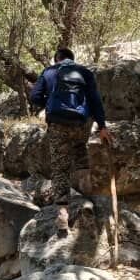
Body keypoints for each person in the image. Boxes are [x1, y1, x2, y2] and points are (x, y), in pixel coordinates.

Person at [30, 48, 113, 230]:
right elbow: (95, 101)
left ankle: (62, 213)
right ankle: (88, 194)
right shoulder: (84, 72)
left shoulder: (49, 72)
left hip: (58, 124)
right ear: (72, 59)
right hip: (80, 124)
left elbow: (34, 96)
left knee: (60, 167)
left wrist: (51, 104)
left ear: (57, 59)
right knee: (79, 150)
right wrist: (102, 127)